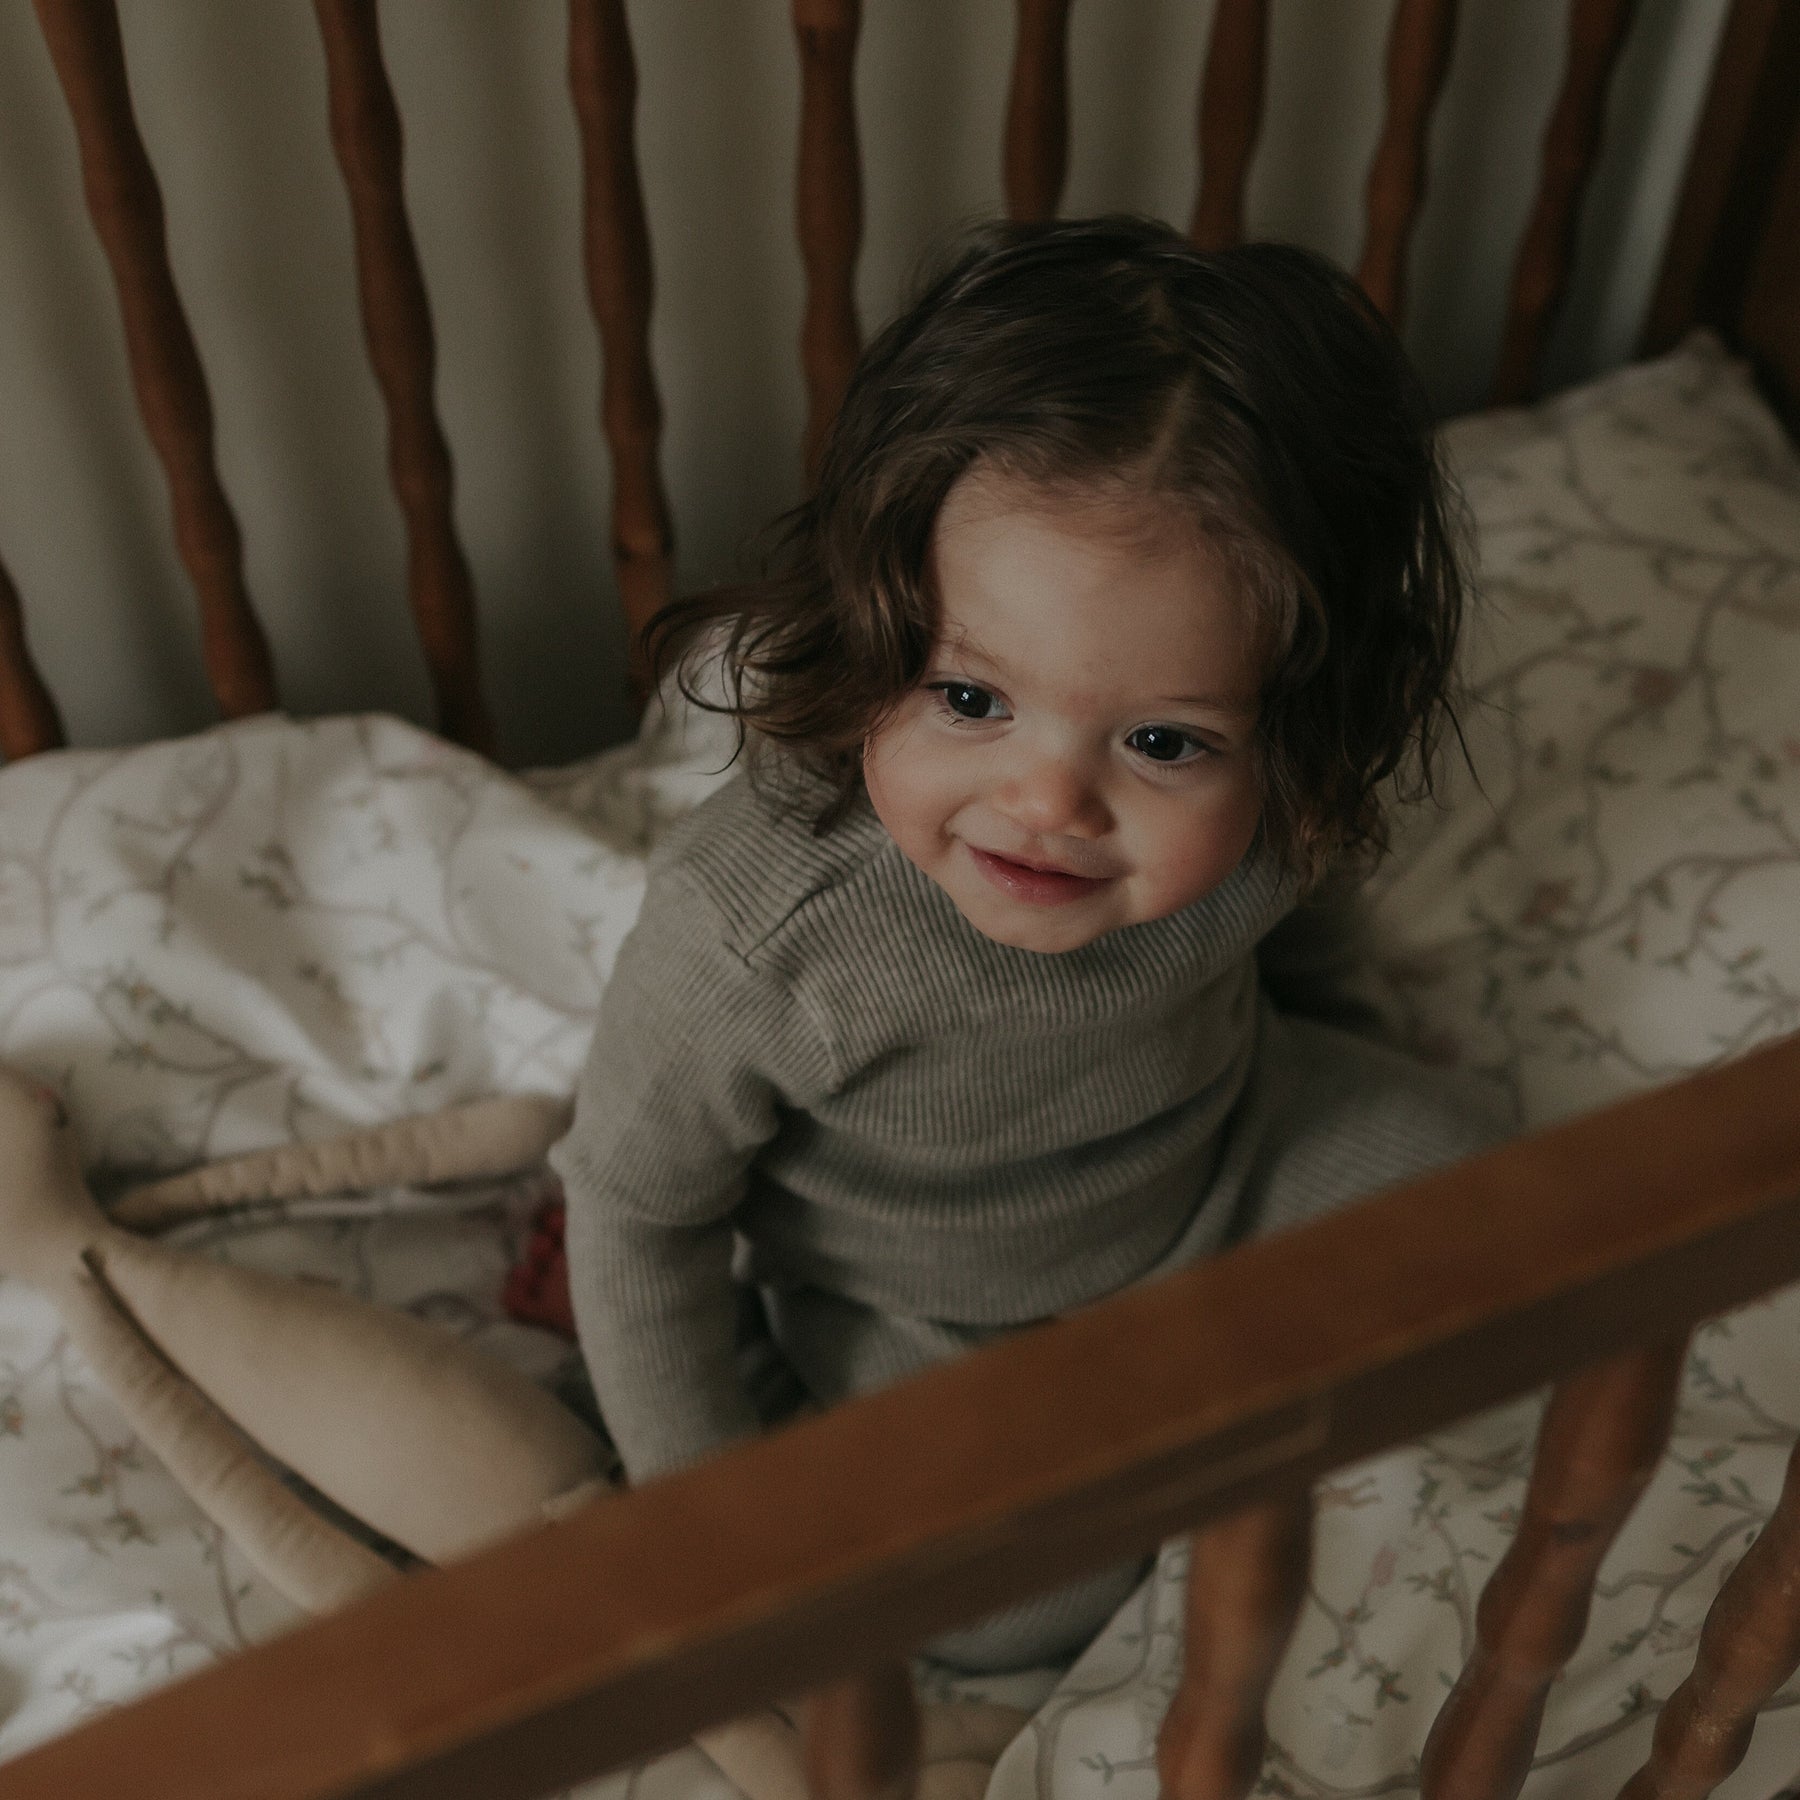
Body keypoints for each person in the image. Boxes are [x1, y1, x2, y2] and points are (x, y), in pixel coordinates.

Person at [548, 216, 1506, 1673]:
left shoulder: (1266, 806)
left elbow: (1309, 922)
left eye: (1163, 742)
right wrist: (717, 1518)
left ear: (1290, 734)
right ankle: (816, 1417)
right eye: (971, 701)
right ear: (873, 627)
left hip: (1229, 1155)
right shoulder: (763, 933)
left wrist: (1353, 1052)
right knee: (1011, 1604)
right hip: (929, 1311)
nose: (1049, 803)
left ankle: (1221, 1355)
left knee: (1519, 1211)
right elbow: (635, 1213)